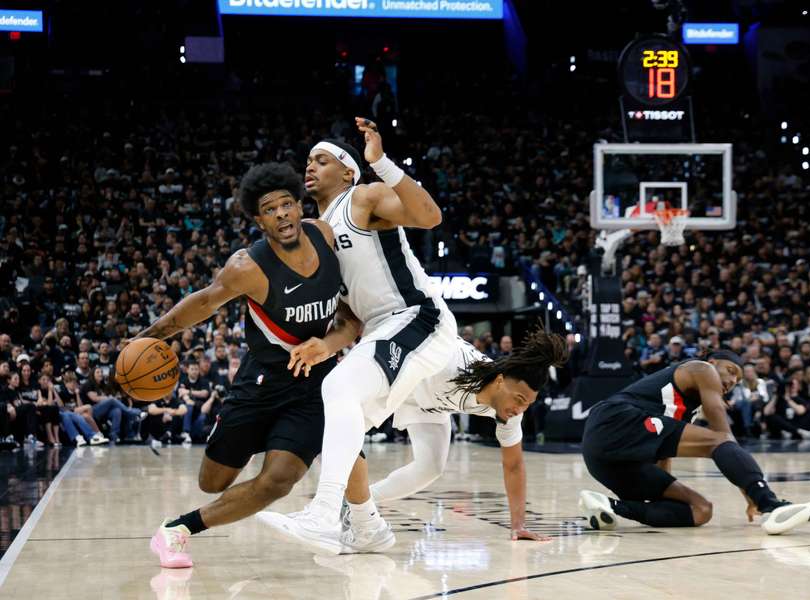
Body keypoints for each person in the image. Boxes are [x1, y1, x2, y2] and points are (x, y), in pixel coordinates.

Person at [136, 162, 345, 569]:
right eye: (270, 209)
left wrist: (329, 344)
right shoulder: (247, 266)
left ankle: (177, 529)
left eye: (286, 204)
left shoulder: (325, 236)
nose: (281, 214)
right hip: (260, 381)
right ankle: (254, 437)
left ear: (299, 206)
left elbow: (349, 314)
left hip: (313, 384)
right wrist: (149, 336)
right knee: (211, 482)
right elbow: (202, 303)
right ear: (259, 220)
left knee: (279, 481)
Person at [275, 118, 456, 555]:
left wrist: (383, 163)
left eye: (321, 160)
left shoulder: (362, 197)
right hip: (380, 330)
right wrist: (325, 345)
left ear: (347, 171)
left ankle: (323, 514)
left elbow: (430, 217)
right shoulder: (317, 235)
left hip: (418, 317)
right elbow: (350, 321)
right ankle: (367, 525)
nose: (310, 167)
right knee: (337, 423)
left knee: (337, 388)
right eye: (308, 161)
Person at [260, 330, 569, 545]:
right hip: (404, 380)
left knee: (431, 467)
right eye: (519, 399)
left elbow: (513, 465)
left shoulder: (510, 412)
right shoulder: (450, 361)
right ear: (500, 381)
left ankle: (352, 505)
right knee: (343, 427)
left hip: (433, 406)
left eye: (527, 404)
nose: (519, 409)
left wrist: (518, 524)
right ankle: (322, 512)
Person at [579, 350, 810, 535]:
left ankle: (608, 506)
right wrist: (751, 492)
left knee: (700, 510)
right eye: (731, 371)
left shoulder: (682, 409)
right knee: (718, 441)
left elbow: (663, 453)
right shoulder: (701, 369)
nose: (732, 381)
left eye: (737, 381)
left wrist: (661, 492)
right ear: (713, 363)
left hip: (604, 461)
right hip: (615, 420)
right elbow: (723, 436)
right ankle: (771, 504)